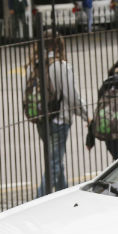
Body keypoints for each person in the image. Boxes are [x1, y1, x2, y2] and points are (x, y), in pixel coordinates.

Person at [31, 33, 88, 194]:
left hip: (41, 121)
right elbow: (72, 97)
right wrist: (86, 115)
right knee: (54, 164)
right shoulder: (61, 66)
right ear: (59, 46)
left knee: (56, 160)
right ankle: (38, 202)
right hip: (59, 121)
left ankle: (62, 194)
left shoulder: (33, 65)